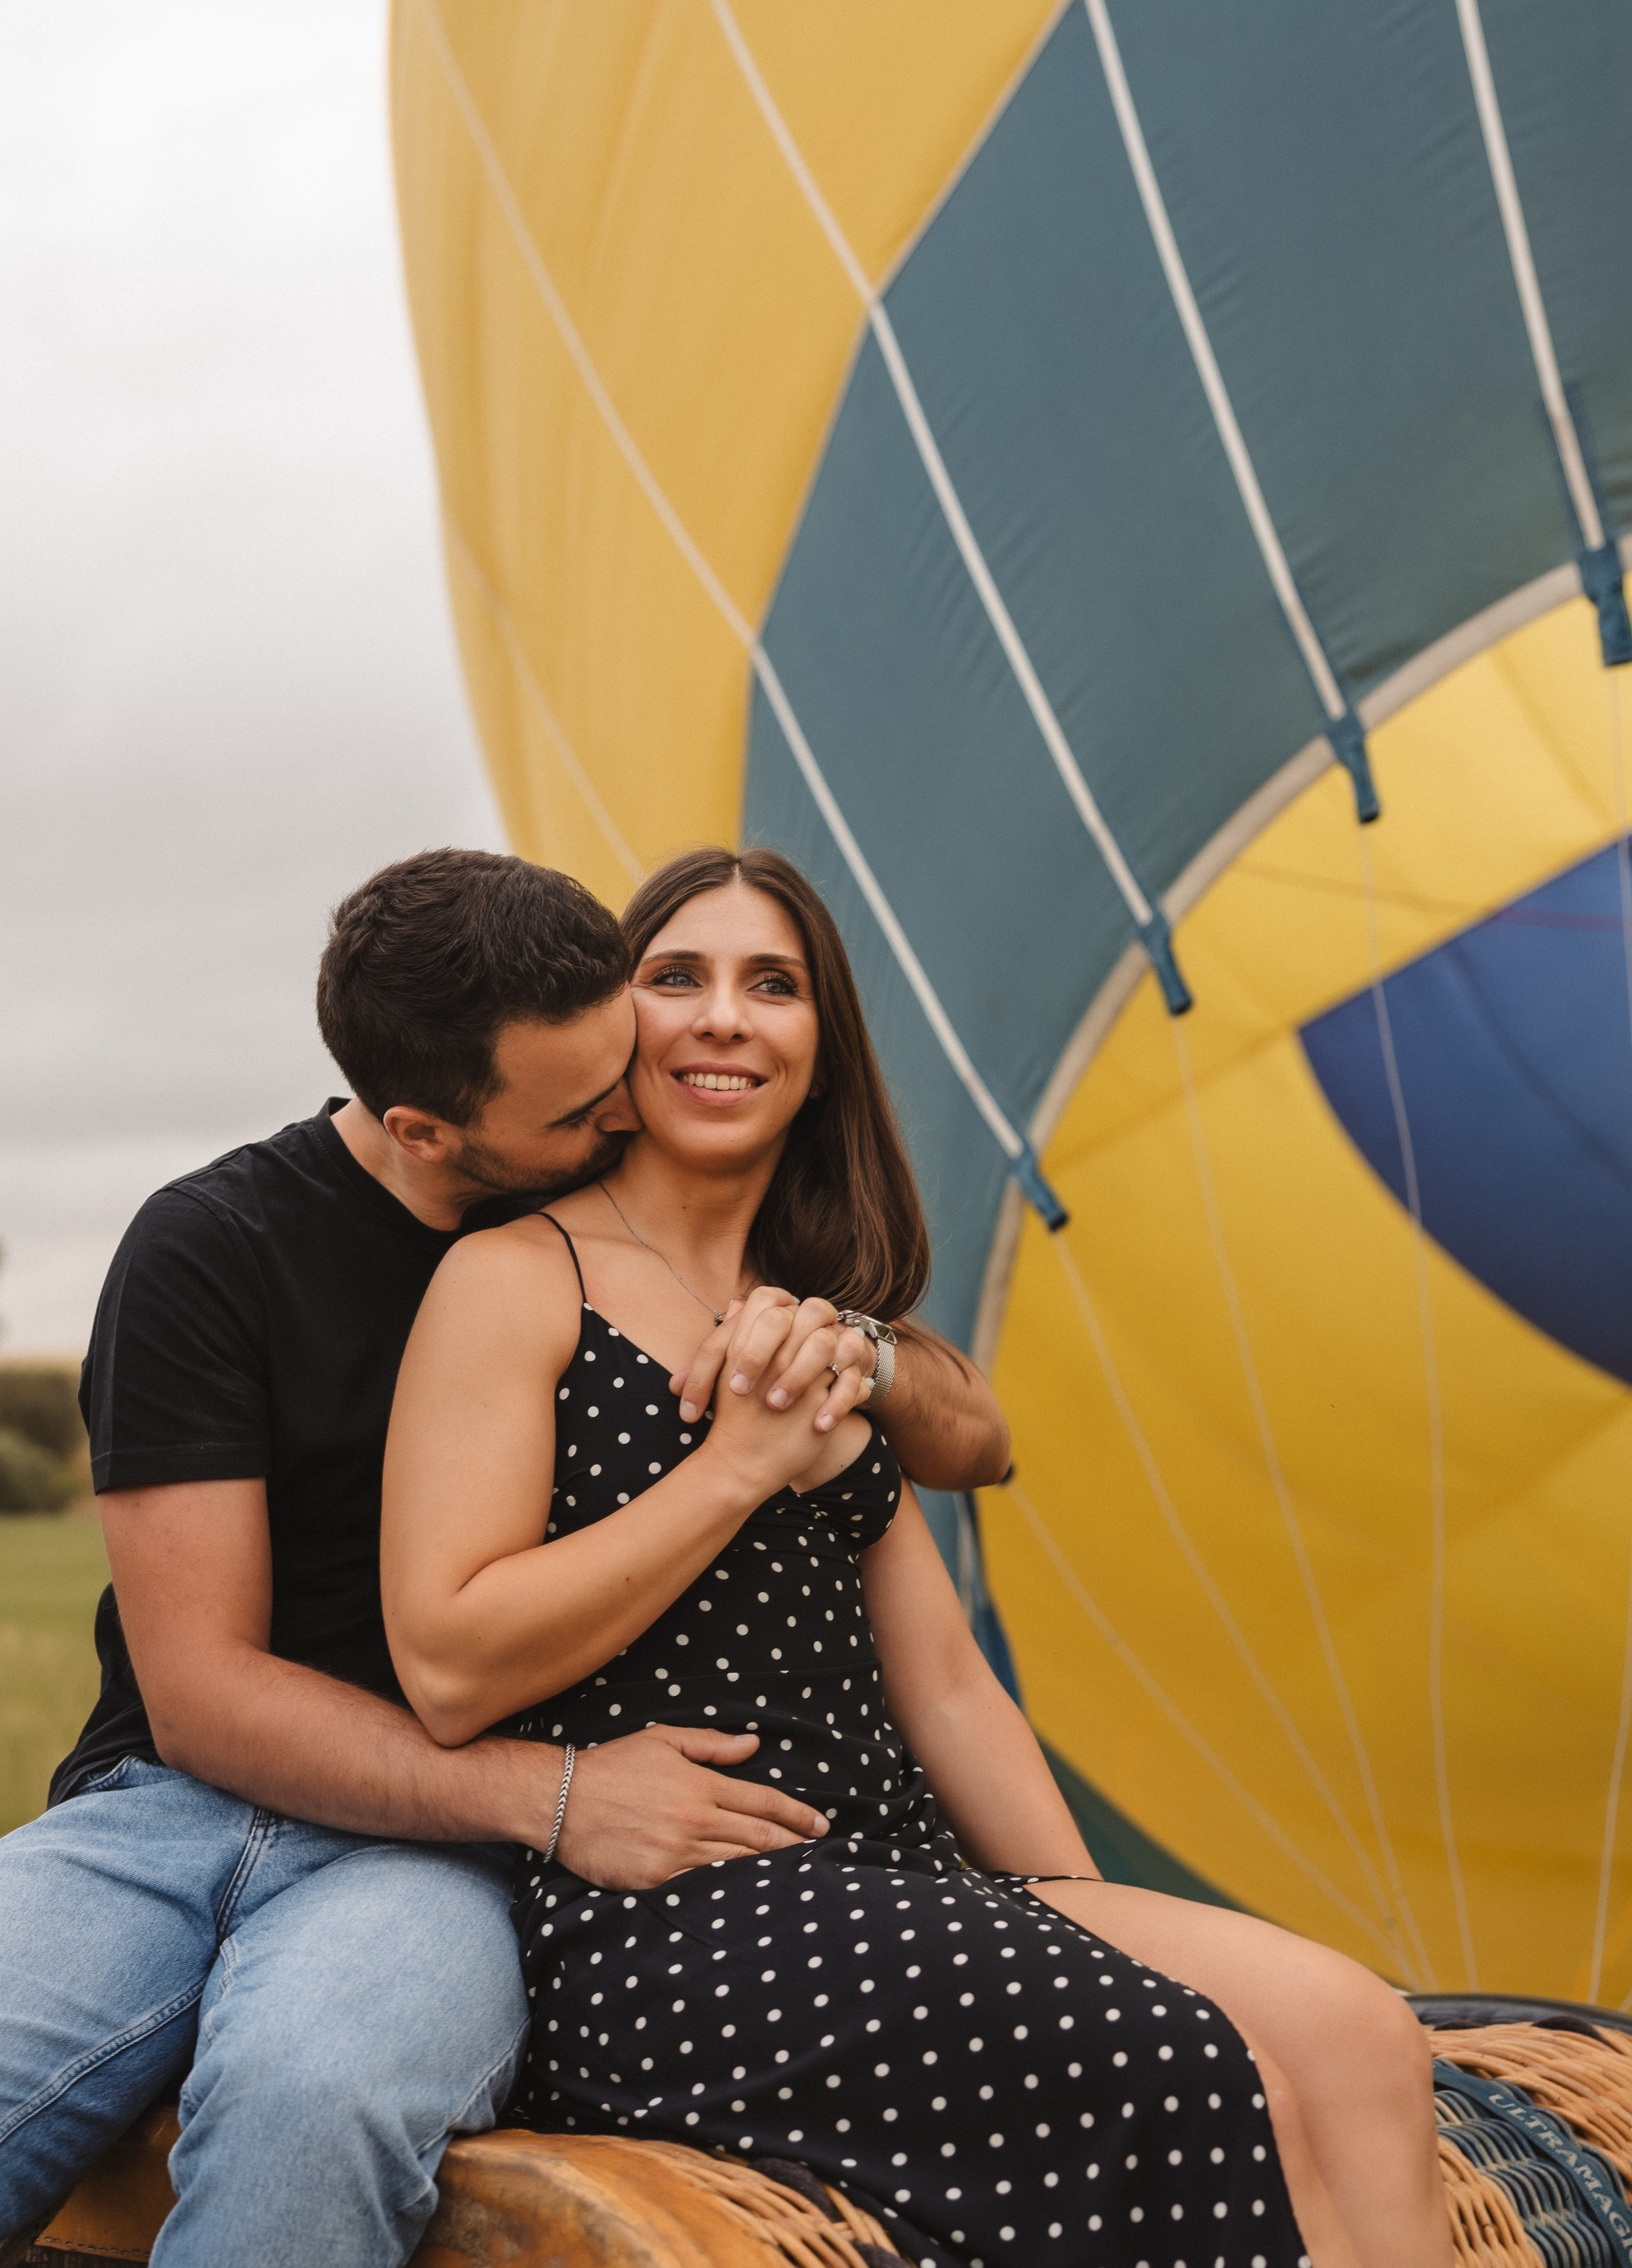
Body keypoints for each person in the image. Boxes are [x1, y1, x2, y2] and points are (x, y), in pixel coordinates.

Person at [0, 845, 1017, 2268]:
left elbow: (965, 1434)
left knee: (314, 2110)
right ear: (424, 1127)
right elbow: (205, 1692)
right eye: (584, 1108)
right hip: (183, 1807)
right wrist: (557, 1791)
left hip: (441, 1866)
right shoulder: (213, 1248)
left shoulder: (673, 1252)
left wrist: (860, 1347)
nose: (626, 1111)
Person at [382, 846, 1452, 2268]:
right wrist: (735, 1470)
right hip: (666, 1910)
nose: (721, 1017)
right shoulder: (519, 1280)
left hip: (899, 1873)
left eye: (772, 984)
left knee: (1359, 2035)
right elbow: (448, 1663)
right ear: (609, 1034)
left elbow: (944, 1685)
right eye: (674, 978)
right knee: (1178, 2062)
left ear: (819, 1051)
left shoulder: (829, 1324)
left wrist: (1079, 1910)